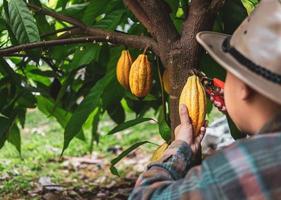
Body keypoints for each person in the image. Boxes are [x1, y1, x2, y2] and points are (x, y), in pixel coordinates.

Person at [129, 0, 281, 199]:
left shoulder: (241, 166)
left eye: (228, 70)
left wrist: (179, 148)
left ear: (245, 88)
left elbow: (145, 196)